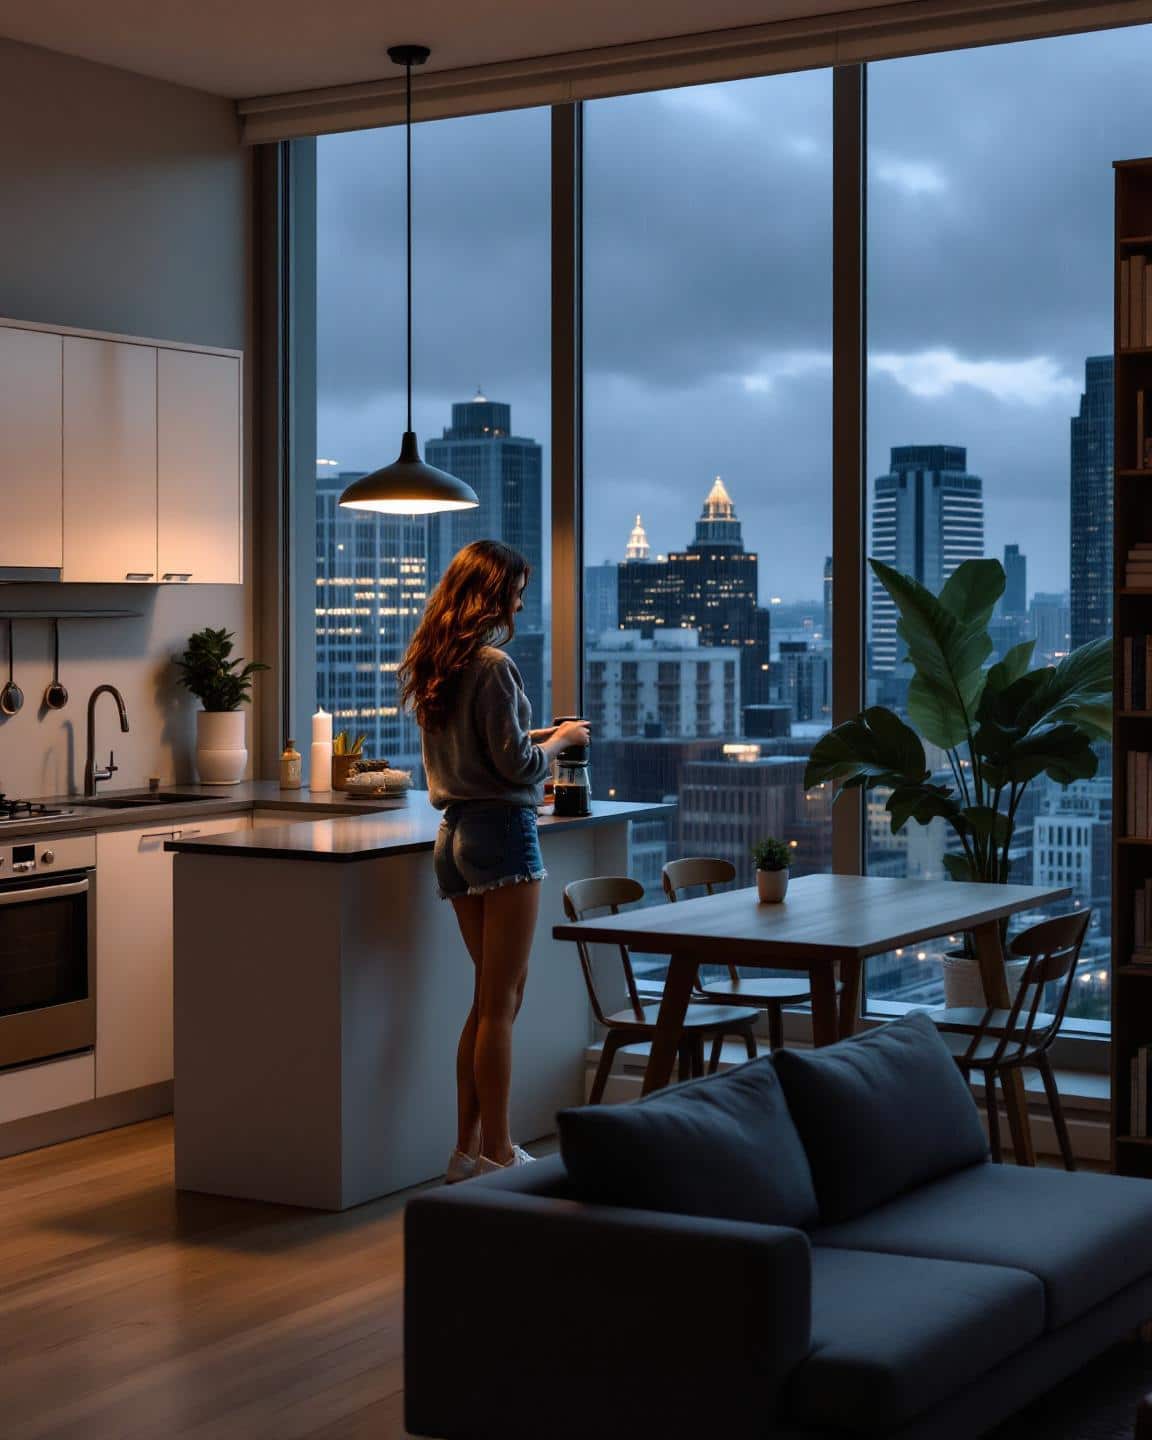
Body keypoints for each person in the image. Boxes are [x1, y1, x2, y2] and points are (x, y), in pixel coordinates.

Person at [399, 539, 590, 1179]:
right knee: (502, 1002)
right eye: (517, 588)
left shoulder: (437, 663)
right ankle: (502, 1152)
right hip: (503, 834)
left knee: (486, 1002)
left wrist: (535, 734)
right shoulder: (493, 664)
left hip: (453, 839)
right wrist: (560, 742)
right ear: (493, 592)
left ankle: (465, 1150)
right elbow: (513, 765)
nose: (521, 599)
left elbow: (476, 749)